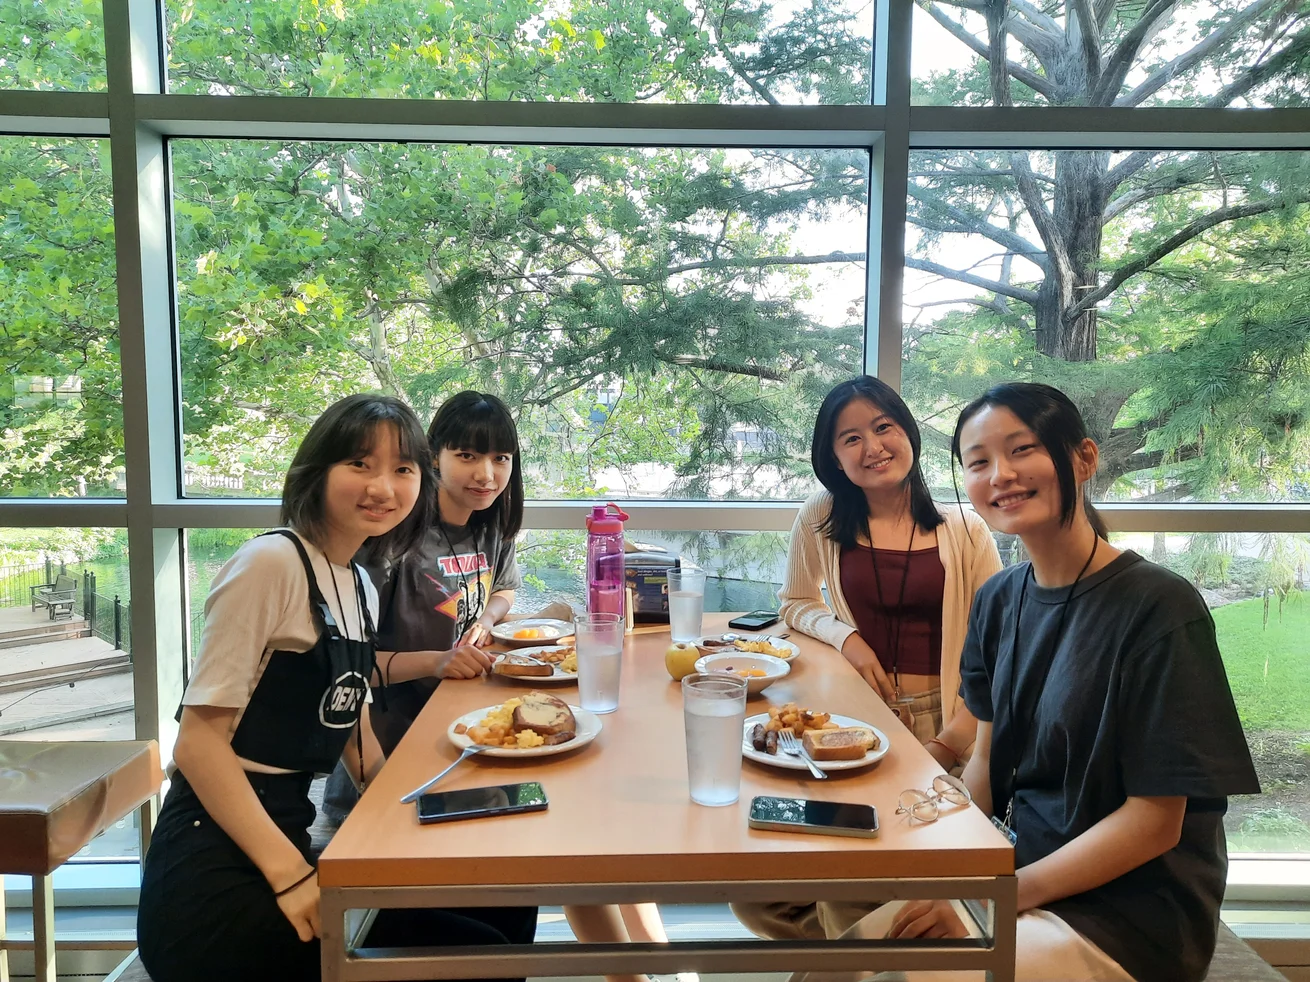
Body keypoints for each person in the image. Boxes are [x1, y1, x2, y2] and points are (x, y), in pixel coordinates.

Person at [798, 382, 1260, 982]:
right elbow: (985, 761)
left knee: (900, 977)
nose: (1002, 475)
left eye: (1022, 450)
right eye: (979, 462)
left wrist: (995, 898)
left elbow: (1154, 821)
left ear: (1084, 458)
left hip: (1128, 915)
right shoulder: (998, 599)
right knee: (835, 967)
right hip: (1018, 872)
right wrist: (959, 881)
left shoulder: (1158, 607)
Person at [136, 394, 533, 982]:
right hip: (214, 871)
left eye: (402, 470)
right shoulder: (270, 563)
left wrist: (426, 815)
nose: (383, 487)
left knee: (507, 906)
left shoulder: (356, 587)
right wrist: (293, 877)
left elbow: (358, 739)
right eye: (360, 465)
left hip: (288, 838)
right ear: (316, 471)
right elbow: (196, 745)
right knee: (482, 960)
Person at [321, 389, 661, 978]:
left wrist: (489, 618)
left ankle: (652, 971)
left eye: (501, 458)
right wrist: (434, 661)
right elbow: (351, 665)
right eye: (469, 455)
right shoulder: (394, 538)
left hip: (473, 737)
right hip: (400, 765)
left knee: (581, 834)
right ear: (434, 459)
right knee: (569, 845)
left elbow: (502, 587)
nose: (487, 474)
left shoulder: (488, 528)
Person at [735, 376, 1003, 943]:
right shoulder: (822, 516)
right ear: (832, 456)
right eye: (850, 438)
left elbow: (1000, 643)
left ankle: (872, 952)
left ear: (907, 430)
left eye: (883, 427)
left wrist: (952, 738)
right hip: (856, 720)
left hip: (953, 724)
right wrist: (845, 637)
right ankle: (868, 948)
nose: (872, 446)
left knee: (858, 884)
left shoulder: (964, 526)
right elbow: (796, 603)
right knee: (756, 896)